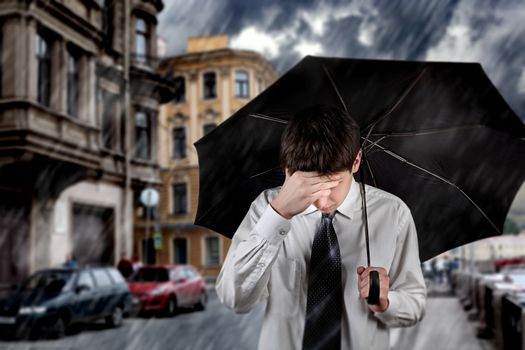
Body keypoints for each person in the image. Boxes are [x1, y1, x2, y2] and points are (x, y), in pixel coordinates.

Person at [216, 105, 427, 349]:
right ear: (287, 170)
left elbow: (415, 303)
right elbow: (235, 300)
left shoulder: (393, 213)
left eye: (332, 183)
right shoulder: (266, 208)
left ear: (356, 160)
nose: (322, 201)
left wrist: (386, 302)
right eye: (310, 187)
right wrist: (278, 215)